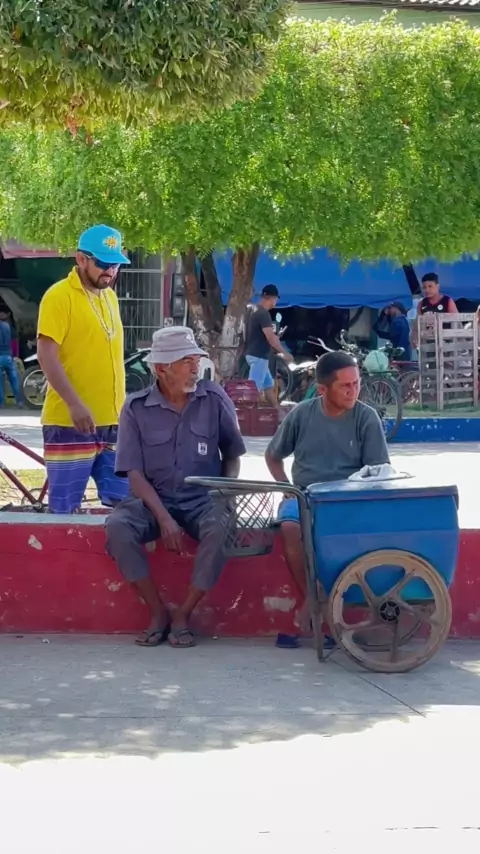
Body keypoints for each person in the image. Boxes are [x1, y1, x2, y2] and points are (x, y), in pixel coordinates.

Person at [105, 326, 246, 649]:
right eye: (186, 362)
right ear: (161, 368)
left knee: (222, 528)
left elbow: (233, 454)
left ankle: (183, 614)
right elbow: (133, 473)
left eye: (196, 360)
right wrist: (164, 518)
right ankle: (158, 612)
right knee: (118, 527)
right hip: (152, 499)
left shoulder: (213, 398)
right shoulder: (135, 407)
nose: (195, 368)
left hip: (203, 497)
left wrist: (226, 497)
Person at [265, 351, 390, 630]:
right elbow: (273, 456)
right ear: (322, 390)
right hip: (305, 494)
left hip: (349, 499)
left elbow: (378, 472)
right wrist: (286, 486)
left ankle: (334, 604)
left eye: (356, 383)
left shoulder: (366, 418)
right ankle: (314, 597)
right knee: (289, 526)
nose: (353, 390)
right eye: (345, 386)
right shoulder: (301, 414)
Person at [37, 224, 131, 513]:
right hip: (70, 423)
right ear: (81, 259)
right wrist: (74, 404)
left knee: (126, 509)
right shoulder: (59, 296)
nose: (110, 271)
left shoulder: (110, 297)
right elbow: (46, 355)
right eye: (103, 263)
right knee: (64, 512)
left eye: (115, 264)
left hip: (114, 423)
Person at [244, 284, 293, 410]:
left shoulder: (253, 310)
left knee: (268, 387)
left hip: (253, 353)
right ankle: (248, 416)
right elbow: (270, 337)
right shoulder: (263, 313)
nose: (275, 302)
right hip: (258, 355)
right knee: (253, 391)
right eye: (275, 299)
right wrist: (284, 353)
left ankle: (278, 412)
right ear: (272, 298)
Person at [412, 272, 458, 349]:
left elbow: (457, 321)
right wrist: (414, 337)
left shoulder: (448, 301)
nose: (427, 290)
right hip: (428, 344)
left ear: (437, 287)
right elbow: (416, 325)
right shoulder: (421, 304)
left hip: (447, 344)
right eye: (424, 287)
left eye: (430, 286)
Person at [0, 309, 22, 408]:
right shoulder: (7, 325)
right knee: (14, 380)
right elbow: (12, 339)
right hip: (9, 356)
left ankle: (1, 403)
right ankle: (20, 401)